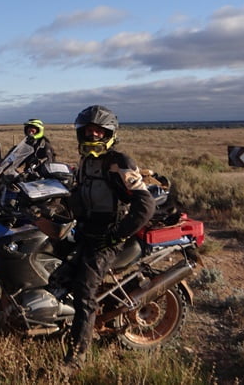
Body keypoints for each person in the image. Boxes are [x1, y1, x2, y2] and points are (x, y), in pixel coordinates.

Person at [63, 105, 155, 368]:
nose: (92, 135)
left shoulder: (119, 162)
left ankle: (76, 357)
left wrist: (117, 235)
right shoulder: (85, 161)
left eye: (98, 131)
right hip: (85, 229)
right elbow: (79, 193)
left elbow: (145, 204)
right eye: (87, 131)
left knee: (84, 289)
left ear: (109, 134)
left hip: (108, 235)